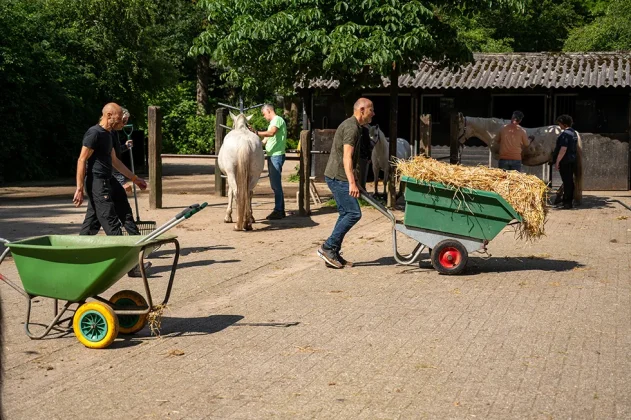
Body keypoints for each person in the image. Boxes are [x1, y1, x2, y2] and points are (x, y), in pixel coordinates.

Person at [73, 103, 148, 275]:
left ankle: (75, 259)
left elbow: (115, 161)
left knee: (105, 219)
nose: (121, 118)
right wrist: (79, 188)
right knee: (112, 223)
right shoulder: (94, 133)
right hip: (97, 183)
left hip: (109, 180)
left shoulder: (109, 134)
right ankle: (131, 266)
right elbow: (81, 160)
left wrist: (135, 179)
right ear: (109, 115)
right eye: (119, 115)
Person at [317, 98, 375, 269]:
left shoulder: (356, 127)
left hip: (340, 176)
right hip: (338, 177)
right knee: (353, 213)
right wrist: (351, 182)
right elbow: (347, 157)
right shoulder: (351, 127)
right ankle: (327, 247)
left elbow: (352, 159)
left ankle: (332, 252)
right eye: (371, 110)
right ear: (362, 109)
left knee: (345, 214)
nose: (373, 113)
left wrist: (356, 181)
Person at [256, 104, 287, 220]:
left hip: (276, 156)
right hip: (272, 156)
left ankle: (279, 210)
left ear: (269, 111)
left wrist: (256, 132)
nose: (264, 117)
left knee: (276, 185)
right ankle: (280, 210)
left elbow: (271, 133)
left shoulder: (277, 120)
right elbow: (265, 140)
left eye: (264, 114)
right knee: (275, 184)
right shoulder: (272, 123)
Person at [553, 114, 578, 209]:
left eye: (559, 124)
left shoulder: (565, 134)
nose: (559, 126)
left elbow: (563, 149)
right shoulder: (573, 133)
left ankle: (567, 202)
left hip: (565, 161)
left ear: (564, 124)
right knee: (569, 181)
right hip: (571, 160)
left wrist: (557, 161)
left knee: (567, 181)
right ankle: (568, 201)